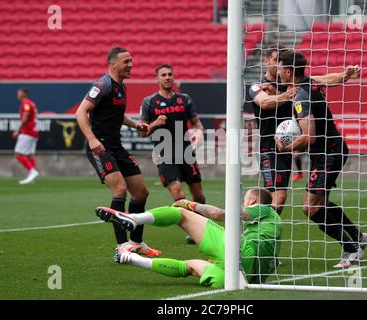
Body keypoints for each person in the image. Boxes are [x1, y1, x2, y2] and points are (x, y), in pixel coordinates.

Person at [275, 50, 367, 268]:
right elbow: (328, 78)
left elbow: (310, 136)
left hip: (329, 154)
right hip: (330, 151)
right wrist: (345, 76)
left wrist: (287, 146)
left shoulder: (301, 98)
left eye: (280, 68)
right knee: (320, 204)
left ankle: (351, 249)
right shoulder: (308, 83)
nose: (277, 71)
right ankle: (357, 237)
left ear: (289, 71)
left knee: (311, 209)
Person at [249, 44, 361, 215]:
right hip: (270, 147)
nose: (278, 63)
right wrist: (285, 95)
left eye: (281, 59)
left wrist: (345, 75)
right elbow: (264, 102)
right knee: (279, 197)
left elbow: (324, 79)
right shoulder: (258, 86)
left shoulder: (294, 83)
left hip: (291, 144)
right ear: (266, 62)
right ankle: (262, 235)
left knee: (302, 202)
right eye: (275, 59)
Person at [95, 188, 282, 288]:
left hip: (243, 255)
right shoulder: (274, 226)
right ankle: (132, 258)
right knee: (191, 267)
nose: (244, 203)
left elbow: (219, 214)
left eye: (245, 200)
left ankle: (134, 218)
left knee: (182, 213)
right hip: (241, 279)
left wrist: (191, 204)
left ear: (252, 202)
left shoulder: (265, 209)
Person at [76, 46, 161, 258]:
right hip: (100, 146)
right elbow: (81, 112)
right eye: (126, 61)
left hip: (116, 145)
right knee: (120, 190)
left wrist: (136, 125)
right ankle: (121, 246)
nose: (131, 64)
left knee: (141, 192)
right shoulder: (102, 85)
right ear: (113, 64)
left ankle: (137, 242)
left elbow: (118, 115)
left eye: (131, 60)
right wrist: (92, 139)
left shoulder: (121, 87)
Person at [140, 64, 206, 244]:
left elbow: (197, 123)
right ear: (158, 78)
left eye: (170, 74)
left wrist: (199, 132)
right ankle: (193, 230)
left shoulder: (184, 100)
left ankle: (200, 225)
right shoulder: (149, 102)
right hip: (164, 153)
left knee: (198, 196)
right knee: (177, 192)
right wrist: (154, 124)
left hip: (186, 151)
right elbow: (142, 132)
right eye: (164, 75)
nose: (168, 77)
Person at [13, 88, 40, 185]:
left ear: (23, 94)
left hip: (27, 132)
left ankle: (32, 171)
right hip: (34, 132)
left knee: (18, 153)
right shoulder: (31, 103)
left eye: (19, 93)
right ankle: (31, 176)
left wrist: (18, 130)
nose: (17, 94)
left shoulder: (26, 104)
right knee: (30, 155)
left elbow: (25, 118)